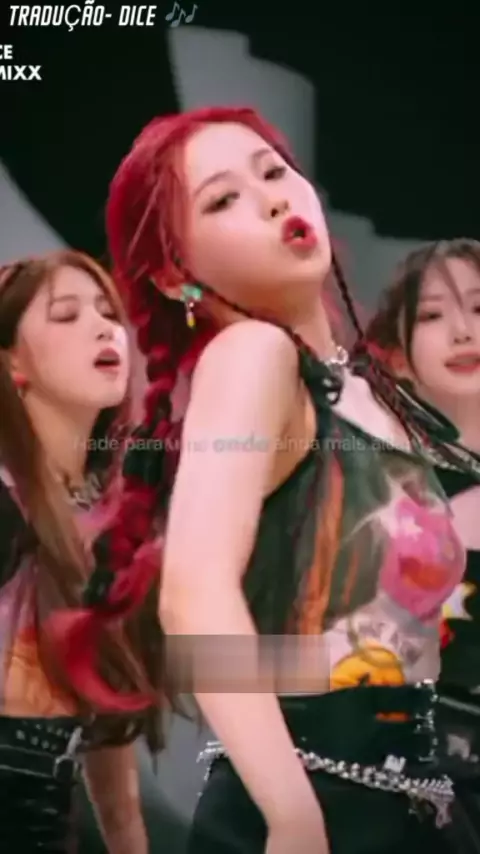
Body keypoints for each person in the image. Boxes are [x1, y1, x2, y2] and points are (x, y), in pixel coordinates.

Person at [49, 107, 466, 853]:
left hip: (411, 807)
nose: (273, 199)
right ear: (175, 275)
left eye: (274, 171)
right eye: (222, 199)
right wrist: (291, 814)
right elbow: (193, 595)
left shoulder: (369, 393)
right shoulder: (252, 356)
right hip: (319, 808)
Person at [0, 250, 162, 852]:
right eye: (66, 315)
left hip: (48, 820)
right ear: (12, 361)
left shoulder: (113, 515)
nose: (103, 328)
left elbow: (109, 722)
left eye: (108, 313)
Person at [363, 238, 480, 842]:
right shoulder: (373, 492)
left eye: (479, 308)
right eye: (433, 315)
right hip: (413, 791)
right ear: (398, 357)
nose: (463, 331)